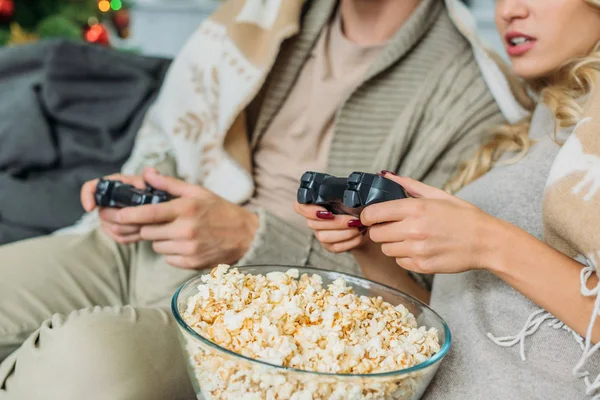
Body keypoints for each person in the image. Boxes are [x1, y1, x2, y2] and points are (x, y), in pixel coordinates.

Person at [0, 0, 509, 398]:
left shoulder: (472, 97)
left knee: (81, 360)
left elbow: (414, 306)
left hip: (270, 316)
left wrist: (247, 236)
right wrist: (147, 190)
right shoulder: (262, 20)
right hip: (147, 248)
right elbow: (182, 139)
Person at [297, 0, 600, 398]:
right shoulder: (524, 137)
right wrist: (368, 246)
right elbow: (444, 331)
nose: (508, 11)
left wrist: (486, 241)